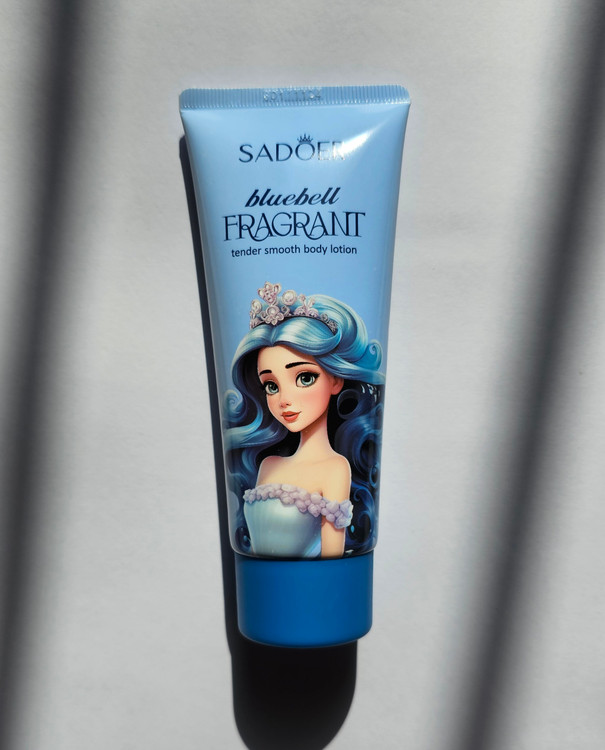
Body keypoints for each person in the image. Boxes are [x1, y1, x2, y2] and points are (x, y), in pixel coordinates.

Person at [225, 282, 384, 559]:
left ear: (335, 380)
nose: (284, 400)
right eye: (271, 386)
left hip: (315, 582)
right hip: (257, 577)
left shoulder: (335, 468)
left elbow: (332, 557)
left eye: (305, 378)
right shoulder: (267, 465)